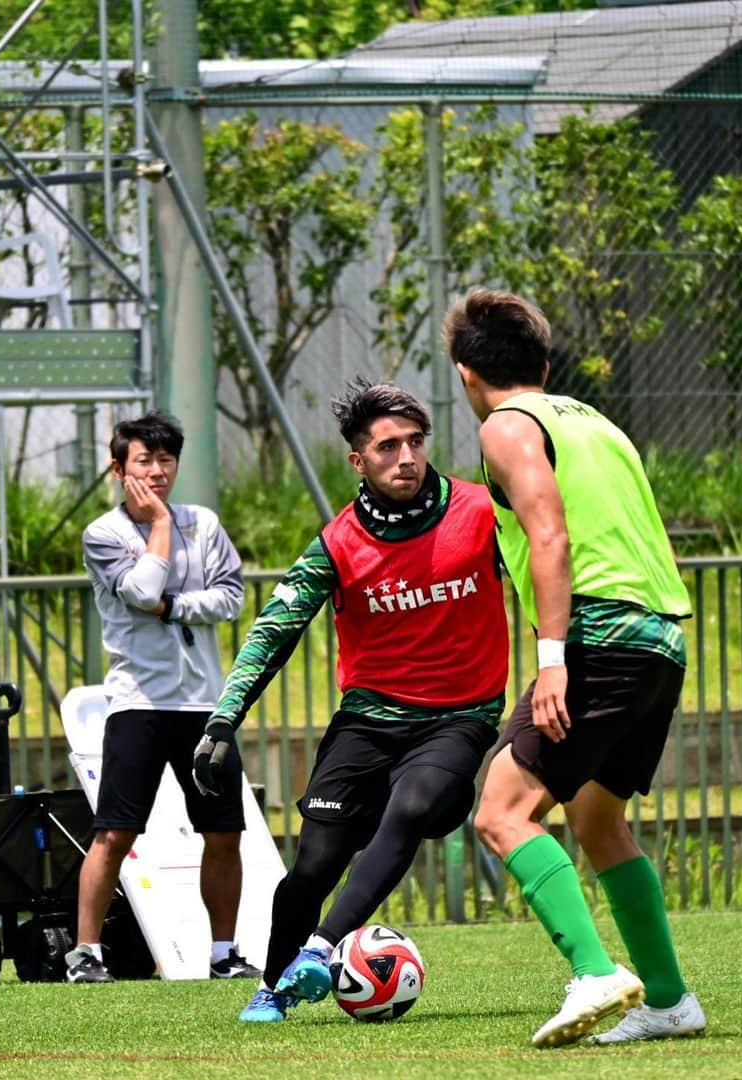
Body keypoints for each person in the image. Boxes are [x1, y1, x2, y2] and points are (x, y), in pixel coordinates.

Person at [192, 379, 509, 1023]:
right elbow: (274, 630)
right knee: (313, 865)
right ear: (358, 461)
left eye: (416, 442)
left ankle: (320, 948)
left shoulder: (482, 512)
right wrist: (224, 718)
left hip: (459, 718)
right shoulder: (338, 544)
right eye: (388, 447)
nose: (407, 458)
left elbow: (552, 563)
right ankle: (270, 989)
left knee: (414, 802)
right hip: (367, 723)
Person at [444, 289, 705, 1049]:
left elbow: (550, 536)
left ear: (466, 372)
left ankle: (595, 973)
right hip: (659, 635)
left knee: (500, 811)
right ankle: (668, 1000)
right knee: (596, 821)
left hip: (597, 637)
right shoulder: (596, 423)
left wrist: (552, 660)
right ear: (546, 364)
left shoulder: (505, 426)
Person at [67, 411, 259, 984]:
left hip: (206, 706)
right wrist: (156, 526)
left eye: (166, 459)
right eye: (143, 460)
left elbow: (229, 597)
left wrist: (176, 606)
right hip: (139, 705)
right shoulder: (104, 534)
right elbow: (141, 589)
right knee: (115, 832)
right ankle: (86, 954)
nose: (156, 471)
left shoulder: (204, 523)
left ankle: (225, 952)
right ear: (118, 468)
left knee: (224, 832)